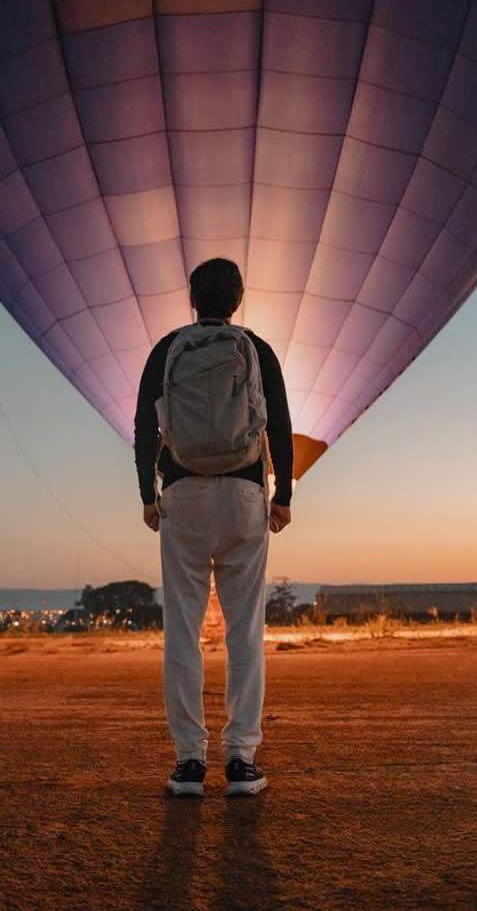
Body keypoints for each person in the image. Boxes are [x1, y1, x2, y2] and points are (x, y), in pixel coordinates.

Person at [135, 258, 293, 798]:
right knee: (244, 631)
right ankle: (242, 760)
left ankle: (189, 762)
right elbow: (279, 422)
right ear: (238, 300)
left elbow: (144, 426)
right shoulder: (257, 349)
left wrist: (148, 496)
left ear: (191, 298)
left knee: (182, 630)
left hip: (183, 495)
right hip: (244, 494)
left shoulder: (167, 349)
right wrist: (284, 495)